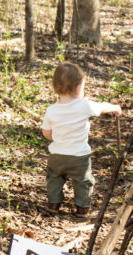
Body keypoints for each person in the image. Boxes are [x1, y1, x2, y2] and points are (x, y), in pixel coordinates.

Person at [41, 62, 122, 216]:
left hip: (56, 155)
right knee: (83, 181)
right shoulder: (85, 105)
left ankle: (53, 205)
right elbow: (102, 107)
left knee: (54, 179)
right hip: (79, 157)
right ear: (78, 87)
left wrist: (58, 139)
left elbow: (46, 133)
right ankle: (82, 209)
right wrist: (115, 107)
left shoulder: (51, 110)